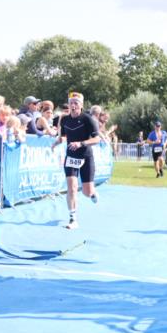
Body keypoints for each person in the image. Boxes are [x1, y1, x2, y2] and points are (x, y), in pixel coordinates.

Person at [51, 92, 100, 230]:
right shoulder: (64, 119)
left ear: (81, 105)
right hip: (71, 157)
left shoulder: (88, 119)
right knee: (72, 187)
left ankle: (92, 193)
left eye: (76, 103)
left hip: (86, 156)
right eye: (71, 103)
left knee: (86, 192)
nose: (73, 105)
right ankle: (73, 218)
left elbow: (97, 139)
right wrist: (56, 143)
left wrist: (81, 143)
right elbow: (63, 136)